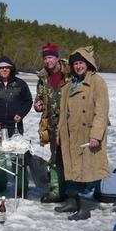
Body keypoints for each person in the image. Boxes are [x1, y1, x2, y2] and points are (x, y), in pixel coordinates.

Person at [56, 46, 110, 221]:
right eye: (75, 64)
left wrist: (96, 135)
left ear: (88, 63)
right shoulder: (69, 85)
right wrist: (59, 133)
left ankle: (84, 208)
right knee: (71, 168)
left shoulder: (97, 82)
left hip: (88, 134)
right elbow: (63, 112)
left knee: (86, 171)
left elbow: (102, 112)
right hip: (70, 132)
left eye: (81, 63)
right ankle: (72, 201)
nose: (78, 66)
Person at [0, 56, 33, 195]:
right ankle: (0, 184)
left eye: (7, 67)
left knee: (17, 158)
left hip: (14, 127)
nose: (4, 69)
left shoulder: (20, 84)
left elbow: (28, 101)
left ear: (11, 69)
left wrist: (21, 114)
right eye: (1, 67)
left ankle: (21, 187)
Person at [33, 42, 70, 203]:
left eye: (50, 57)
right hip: (52, 124)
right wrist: (38, 105)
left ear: (57, 58)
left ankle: (75, 191)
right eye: (45, 58)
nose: (48, 61)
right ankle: (56, 191)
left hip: (70, 123)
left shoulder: (69, 73)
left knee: (71, 157)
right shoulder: (43, 78)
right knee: (55, 157)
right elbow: (39, 98)